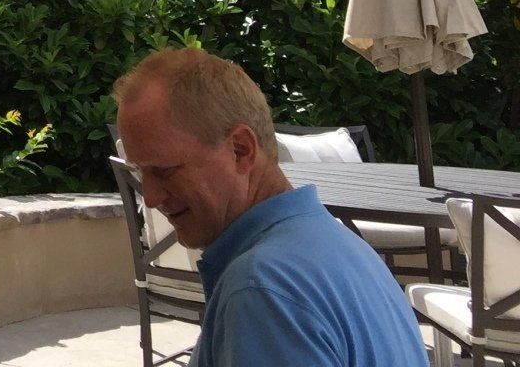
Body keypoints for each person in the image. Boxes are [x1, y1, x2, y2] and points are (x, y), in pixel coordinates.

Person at [113, 47, 425, 367]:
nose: (149, 198)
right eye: (139, 171)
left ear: (240, 150)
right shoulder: (342, 246)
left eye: (163, 171)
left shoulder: (261, 289)